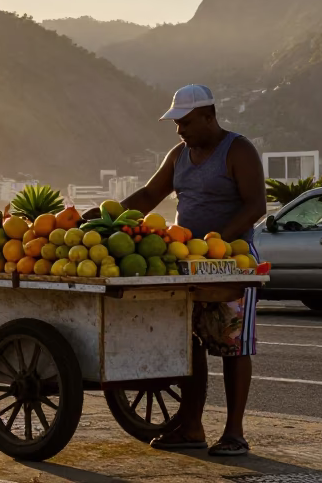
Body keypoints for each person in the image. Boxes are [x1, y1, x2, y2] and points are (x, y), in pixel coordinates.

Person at [85, 85, 265, 457]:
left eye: (185, 122)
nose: (179, 130)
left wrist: (219, 240)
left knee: (233, 346)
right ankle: (191, 426)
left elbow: (255, 205)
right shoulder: (178, 155)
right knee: (189, 343)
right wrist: (102, 217)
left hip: (231, 262)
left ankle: (234, 432)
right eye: (176, 123)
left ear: (208, 116)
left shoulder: (238, 150)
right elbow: (149, 196)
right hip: (184, 263)